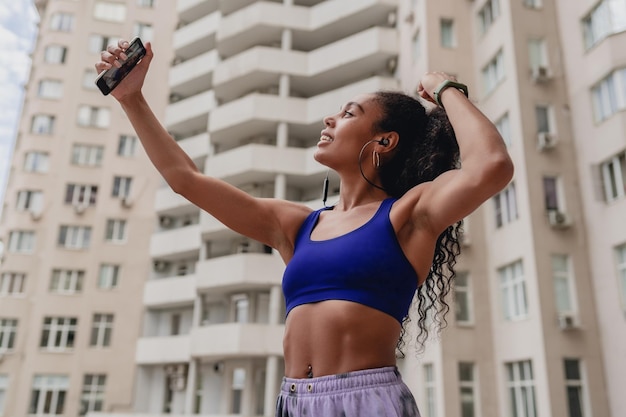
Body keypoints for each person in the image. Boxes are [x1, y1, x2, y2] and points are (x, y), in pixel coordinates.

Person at [96, 39, 514, 417]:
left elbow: (491, 166)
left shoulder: (409, 215)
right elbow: (185, 178)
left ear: (384, 142)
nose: (330, 120)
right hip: (294, 403)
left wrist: (445, 89)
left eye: (349, 114)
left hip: (368, 401)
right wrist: (131, 99)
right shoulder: (295, 224)